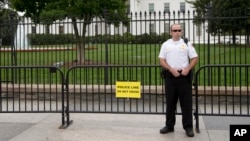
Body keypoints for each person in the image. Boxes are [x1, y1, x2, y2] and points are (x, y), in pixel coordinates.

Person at [158, 23, 198, 137]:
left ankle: (188, 127)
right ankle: (169, 125)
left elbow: (195, 58)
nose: (177, 32)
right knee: (170, 103)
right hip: (170, 77)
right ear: (170, 32)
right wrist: (171, 69)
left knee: (186, 103)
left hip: (184, 77)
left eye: (179, 30)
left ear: (182, 31)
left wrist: (187, 69)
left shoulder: (187, 44)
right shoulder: (166, 44)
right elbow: (161, 60)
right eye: (174, 30)